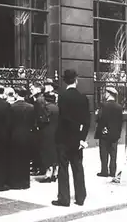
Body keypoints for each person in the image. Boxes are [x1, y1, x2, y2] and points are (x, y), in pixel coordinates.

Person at [52, 69, 90, 207]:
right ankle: (80, 197)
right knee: (78, 167)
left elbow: (62, 119)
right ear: (76, 80)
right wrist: (81, 138)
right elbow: (87, 121)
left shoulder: (62, 97)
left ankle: (64, 198)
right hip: (77, 139)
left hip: (63, 138)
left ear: (64, 81)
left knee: (63, 168)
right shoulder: (83, 98)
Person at [8, 87, 36, 190]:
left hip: (14, 135)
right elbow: (33, 123)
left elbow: (9, 123)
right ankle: (25, 182)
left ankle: (15, 182)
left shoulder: (11, 107)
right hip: (27, 135)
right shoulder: (31, 107)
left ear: (16, 94)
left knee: (15, 159)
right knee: (25, 159)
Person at [95, 86, 123, 178]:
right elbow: (120, 121)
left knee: (104, 152)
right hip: (114, 134)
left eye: (106, 93)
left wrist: (103, 128)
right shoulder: (119, 107)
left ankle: (104, 171)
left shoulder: (103, 105)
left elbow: (100, 118)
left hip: (104, 133)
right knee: (113, 153)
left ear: (109, 94)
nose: (105, 94)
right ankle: (112, 171)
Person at [38, 91, 59, 183]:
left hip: (47, 133)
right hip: (56, 132)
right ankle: (55, 173)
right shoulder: (58, 108)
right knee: (55, 152)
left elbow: (43, 120)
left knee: (47, 153)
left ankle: (48, 175)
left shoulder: (46, 108)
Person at [30, 82, 47, 176]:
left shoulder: (38, 100)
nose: (31, 90)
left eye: (33, 89)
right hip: (41, 128)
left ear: (38, 89)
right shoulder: (42, 99)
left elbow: (37, 115)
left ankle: (39, 168)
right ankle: (40, 167)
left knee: (37, 149)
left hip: (37, 128)